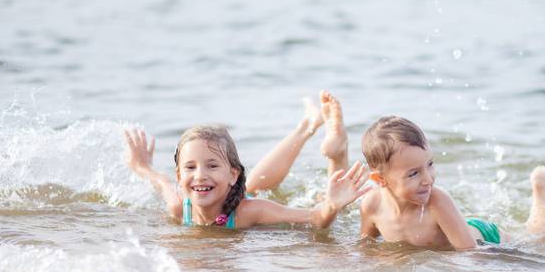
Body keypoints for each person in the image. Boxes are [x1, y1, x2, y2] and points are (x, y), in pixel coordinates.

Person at [124, 91, 368, 228]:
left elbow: (315, 218)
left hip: (240, 200)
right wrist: (142, 167)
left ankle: (336, 151)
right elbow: (162, 182)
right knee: (255, 184)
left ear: (233, 174)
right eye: (190, 167)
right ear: (180, 176)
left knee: (255, 189)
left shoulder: (250, 212)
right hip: (232, 193)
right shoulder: (179, 207)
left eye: (212, 165)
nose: (199, 174)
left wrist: (332, 206)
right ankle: (308, 124)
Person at [359, 116, 545, 250]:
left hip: (482, 236)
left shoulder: (436, 201)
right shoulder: (372, 206)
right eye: (414, 173)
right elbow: (366, 246)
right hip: (460, 226)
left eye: (431, 164)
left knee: (535, 239)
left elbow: (469, 253)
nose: (428, 179)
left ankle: (543, 185)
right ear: (380, 180)